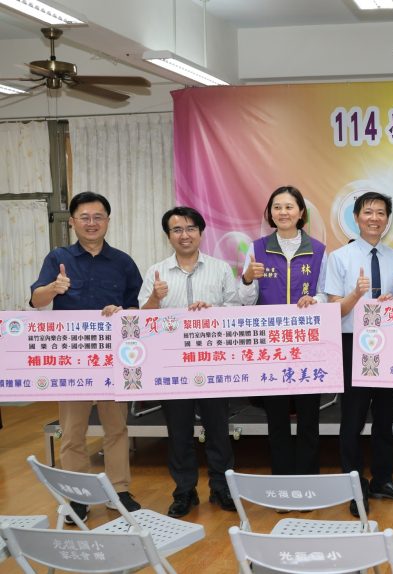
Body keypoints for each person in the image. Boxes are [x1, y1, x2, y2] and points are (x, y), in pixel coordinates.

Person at [29, 191, 144, 523]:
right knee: (72, 431)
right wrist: (53, 288)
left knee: (116, 428)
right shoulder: (58, 258)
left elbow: (136, 308)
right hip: (73, 359)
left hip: (113, 358)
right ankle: (77, 496)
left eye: (98, 217)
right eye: (85, 217)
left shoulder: (123, 262)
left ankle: (119, 491)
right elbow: (36, 300)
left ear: (107, 221)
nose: (92, 223)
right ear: (72, 222)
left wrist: (122, 312)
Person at [140, 206, 243, 517]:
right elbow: (141, 320)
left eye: (190, 229)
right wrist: (155, 298)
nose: (184, 235)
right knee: (179, 432)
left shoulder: (220, 269)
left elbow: (236, 311)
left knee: (218, 430)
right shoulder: (156, 272)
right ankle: (184, 491)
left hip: (212, 363)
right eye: (177, 230)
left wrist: (212, 311)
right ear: (168, 236)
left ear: (200, 233)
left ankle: (221, 488)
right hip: (171, 367)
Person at [326, 191, 393, 516]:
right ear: (356, 217)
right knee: (352, 419)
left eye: (381, 212)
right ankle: (355, 488)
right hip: (352, 343)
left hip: (386, 344)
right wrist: (356, 295)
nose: (375, 218)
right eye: (368, 212)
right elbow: (334, 309)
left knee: (384, 417)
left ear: (387, 219)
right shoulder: (339, 258)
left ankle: (382, 480)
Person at [239, 186, 327, 477]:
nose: (283, 212)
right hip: (271, 345)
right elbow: (245, 300)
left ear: (301, 212)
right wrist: (247, 279)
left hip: (308, 344)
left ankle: (308, 479)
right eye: (277, 207)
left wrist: (315, 301)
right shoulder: (257, 248)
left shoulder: (318, 250)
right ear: (270, 213)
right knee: (276, 419)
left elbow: (326, 293)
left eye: (289, 207)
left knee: (308, 417)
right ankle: (282, 479)